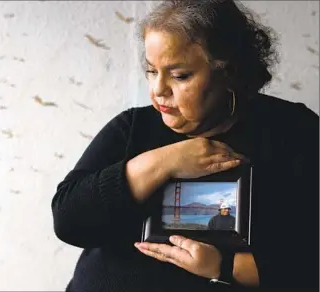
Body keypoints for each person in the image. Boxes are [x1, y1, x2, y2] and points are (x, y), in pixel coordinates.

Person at [51, 0, 319, 291]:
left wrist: (223, 266)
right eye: (152, 71)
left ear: (228, 71)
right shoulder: (132, 128)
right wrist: (163, 162)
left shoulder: (292, 131)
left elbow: (309, 263)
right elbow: (68, 221)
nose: (158, 90)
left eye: (179, 76)